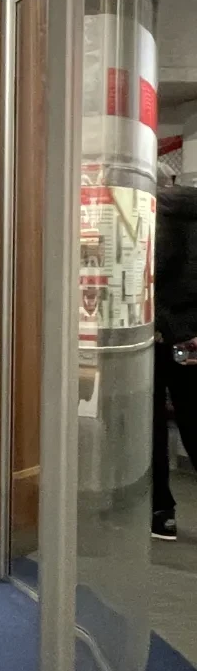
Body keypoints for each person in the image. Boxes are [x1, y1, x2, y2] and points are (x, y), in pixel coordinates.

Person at [153, 185, 197, 540]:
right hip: (192, 339)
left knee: (150, 428)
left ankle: (160, 512)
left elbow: (150, 277)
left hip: (154, 337)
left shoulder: (155, 215)